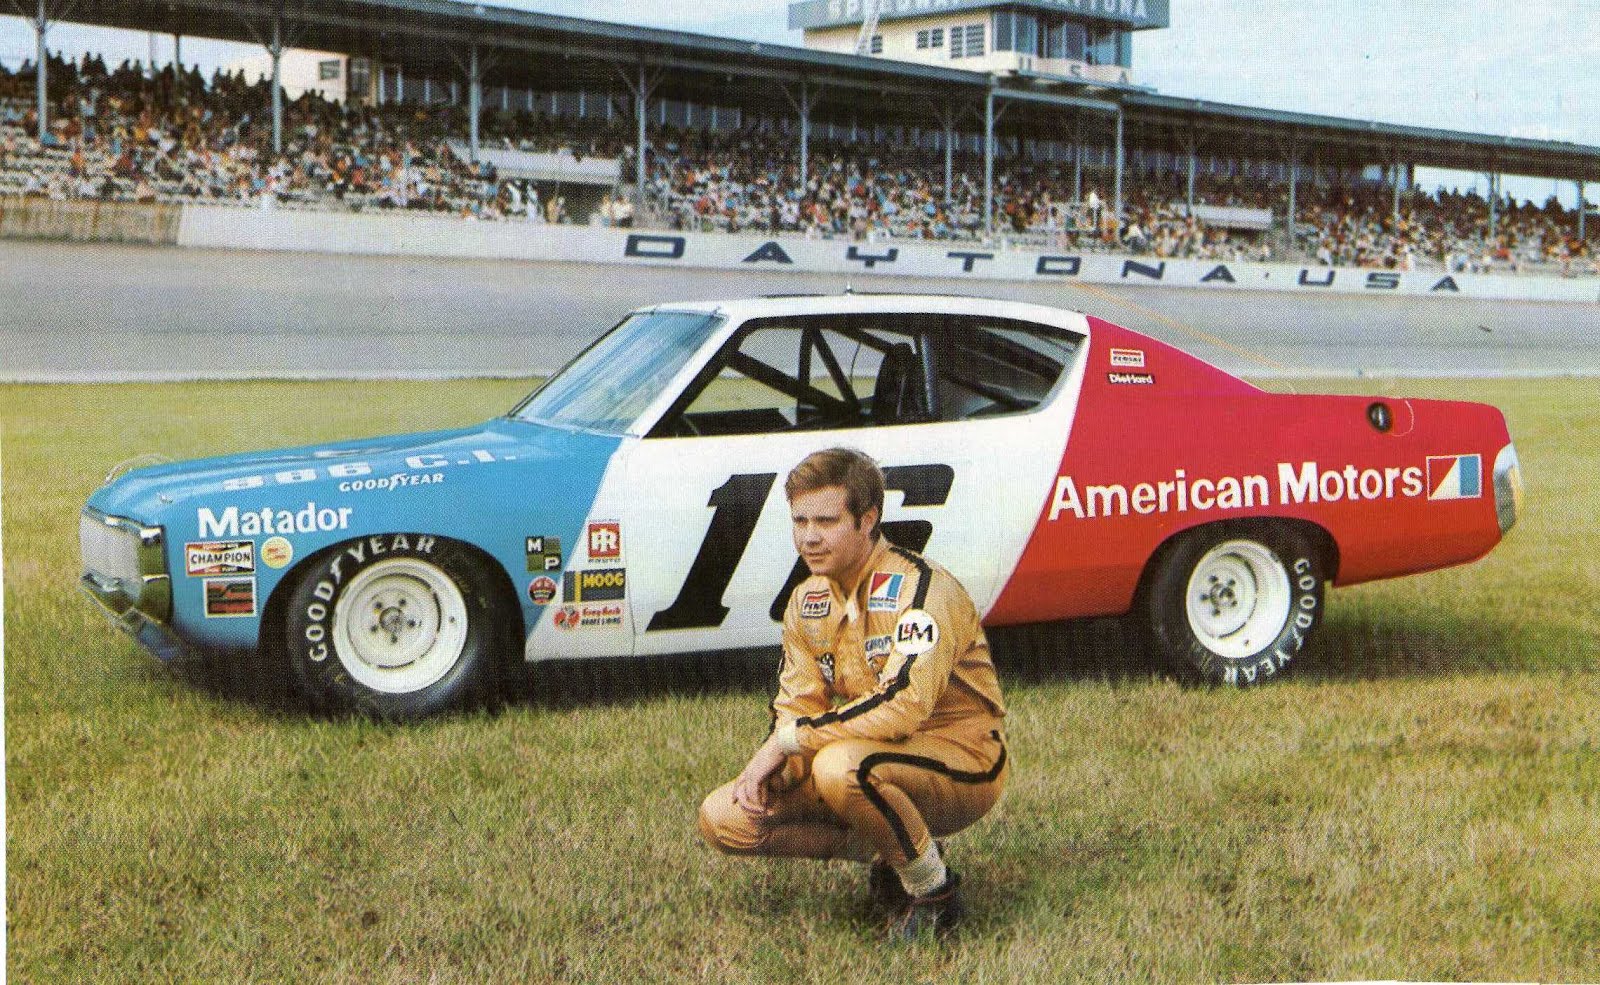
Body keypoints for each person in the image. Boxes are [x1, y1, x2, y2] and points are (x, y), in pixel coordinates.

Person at [698, 448, 1009, 940]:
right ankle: (900, 847)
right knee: (725, 817)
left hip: (964, 761)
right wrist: (780, 772)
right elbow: (798, 706)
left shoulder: (920, 589)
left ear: (868, 520)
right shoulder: (808, 599)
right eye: (799, 520)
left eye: (826, 520)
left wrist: (788, 744)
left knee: (840, 767)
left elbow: (903, 708)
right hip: (868, 753)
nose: (808, 536)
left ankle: (934, 892)